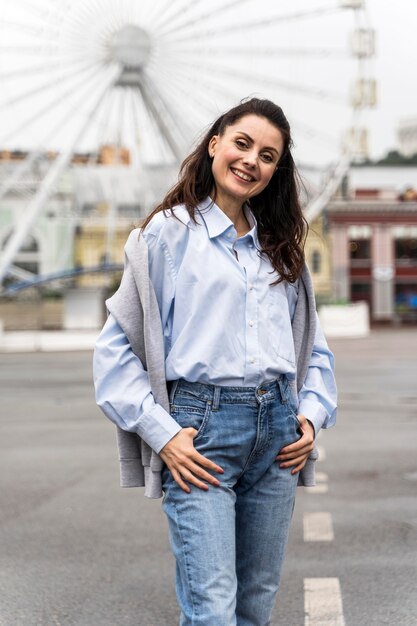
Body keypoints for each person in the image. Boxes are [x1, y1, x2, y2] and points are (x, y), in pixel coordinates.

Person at [93, 97, 337, 626]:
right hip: (200, 431)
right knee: (212, 610)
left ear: (277, 171)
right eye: (242, 144)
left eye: (268, 155)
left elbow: (311, 347)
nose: (252, 161)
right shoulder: (166, 235)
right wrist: (164, 433)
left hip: (278, 433)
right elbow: (115, 350)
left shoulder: (280, 249)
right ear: (214, 144)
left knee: (254, 605)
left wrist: (311, 415)